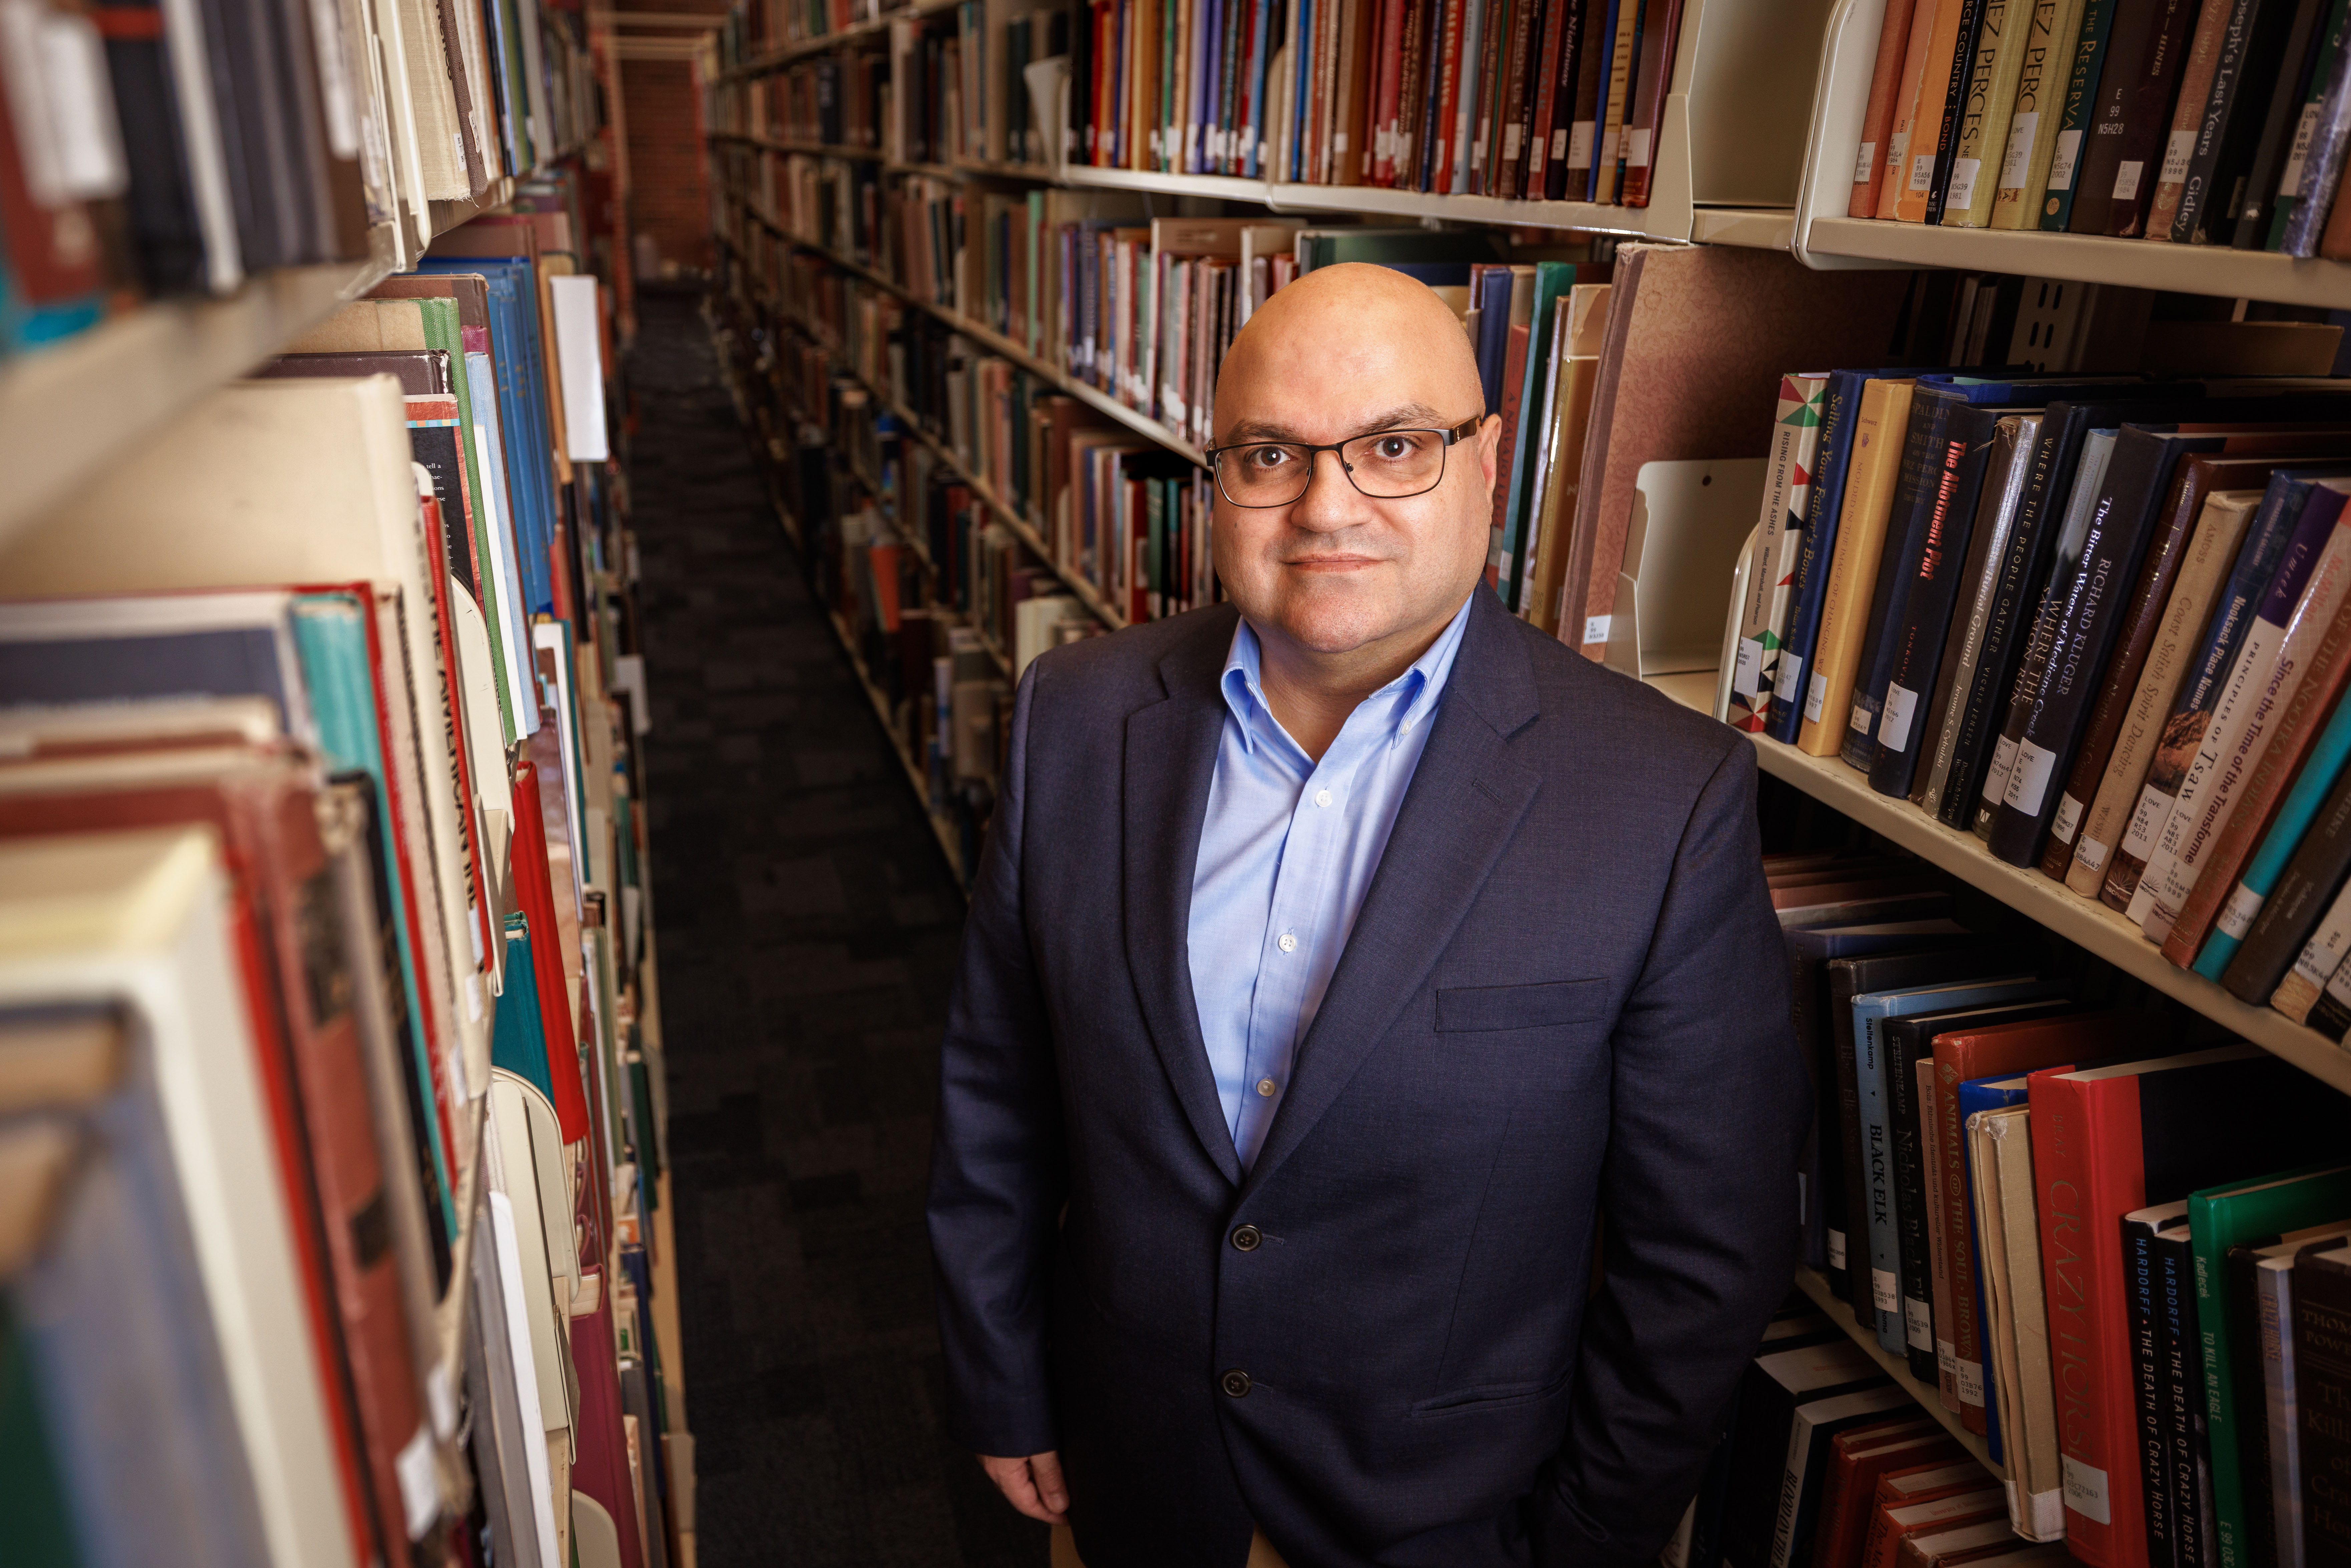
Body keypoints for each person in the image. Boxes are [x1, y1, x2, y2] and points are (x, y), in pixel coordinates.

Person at [925, 262, 1808, 1568]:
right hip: (1130, 1472)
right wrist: (1004, 1375)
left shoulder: (1661, 798)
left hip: (1446, 1515)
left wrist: (1576, 1540)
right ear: (1213, 477)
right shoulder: (1079, 717)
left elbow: (1704, 1257)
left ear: (1488, 461)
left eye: (1395, 446)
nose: (1326, 508)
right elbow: (998, 1089)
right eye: (1270, 454)